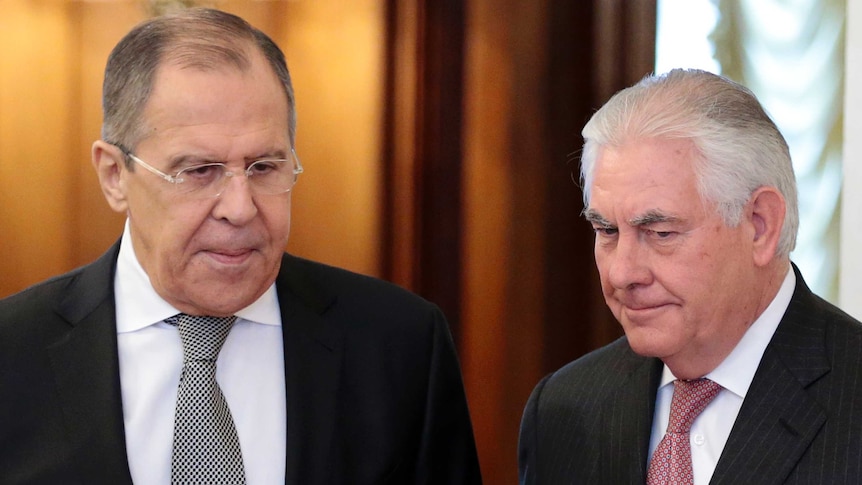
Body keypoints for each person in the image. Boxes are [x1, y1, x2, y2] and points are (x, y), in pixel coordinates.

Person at [0, 7, 481, 484]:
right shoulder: (13, 353)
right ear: (114, 176)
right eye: (199, 170)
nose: (240, 207)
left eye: (264, 167)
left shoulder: (400, 343)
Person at [518, 68, 862, 484]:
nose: (622, 272)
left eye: (660, 233)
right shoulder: (564, 410)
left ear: (760, 225)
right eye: (607, 231)